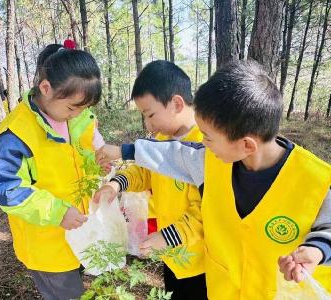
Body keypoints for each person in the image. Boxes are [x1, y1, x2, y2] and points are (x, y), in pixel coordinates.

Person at [95, 61, 331, 299]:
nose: (202, 143)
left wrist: (317, 250)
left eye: (208, 137)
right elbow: (173, 153)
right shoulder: (210, 161)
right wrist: (124, 152)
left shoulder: (318, 180)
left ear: (246, 144)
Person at [0, 44, 104, 299]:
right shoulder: (17, 134)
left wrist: (101, 164)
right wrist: (57, 212)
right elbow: (6, 188)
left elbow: (86, 152)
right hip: (47, 244)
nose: (78, 114)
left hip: (82, 231)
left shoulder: (78, 116)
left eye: (85, 108)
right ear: (45, 88)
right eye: (73, 108)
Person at [94, 60, 207, 299]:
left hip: (199, 261)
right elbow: (145, 171)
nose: (148, 124)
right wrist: (118, 183)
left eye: (150, 114)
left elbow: (206, 211)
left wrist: (167, 236)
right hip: (171, 252)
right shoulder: (163, 137)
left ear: (176, 103)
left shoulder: (205, 144)